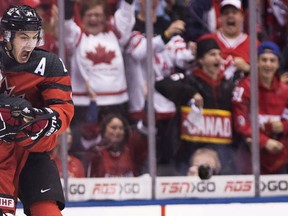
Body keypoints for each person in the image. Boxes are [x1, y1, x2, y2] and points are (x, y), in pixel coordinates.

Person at [0, 5, 74, 216]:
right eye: (24, 37)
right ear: (8, 36)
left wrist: (46, 120)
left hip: (31, 149)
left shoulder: (49, 64)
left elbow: (63, 110)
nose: (30, 44)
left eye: (34, 37)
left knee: (48, 211)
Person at [155, 37, 236, 175]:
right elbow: (161, 84)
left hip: (221, 152)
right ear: (200, 60)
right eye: (212, 54)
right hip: (188, 152)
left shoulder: (227, 86)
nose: (217, 58)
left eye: (219, 54)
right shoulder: (190, 80)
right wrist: (191, 93)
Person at [64, 0, 135, 153]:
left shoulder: (114, 34)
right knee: (85, 147)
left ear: (105, 18)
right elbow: (66, 25)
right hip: (84, 104)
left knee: (116, 148)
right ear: (82, 18)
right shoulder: (77, 37)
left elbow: (126, 17)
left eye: (98, 15)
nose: (94, 19)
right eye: (89, 15)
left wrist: (128, 3)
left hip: (116, 103)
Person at [232, 41, 288, 174]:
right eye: (264, 60)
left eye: (272, 60)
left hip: (280, 155)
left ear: (278, 64)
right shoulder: (244, 88)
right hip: (250, 154)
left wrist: (284, 126)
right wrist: (264, 141)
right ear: (256, 63)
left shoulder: (285, 91)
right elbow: (240, 123)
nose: (268, 64)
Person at [200, 0, 259, 83]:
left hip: (243, 92)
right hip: (211, 92)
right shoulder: (206, 40)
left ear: (242, 17)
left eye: (234, 12)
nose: (230, 16)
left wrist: (248, 69)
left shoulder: (254, 44)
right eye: (226, 13)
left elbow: (263, 73)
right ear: (220, 18)